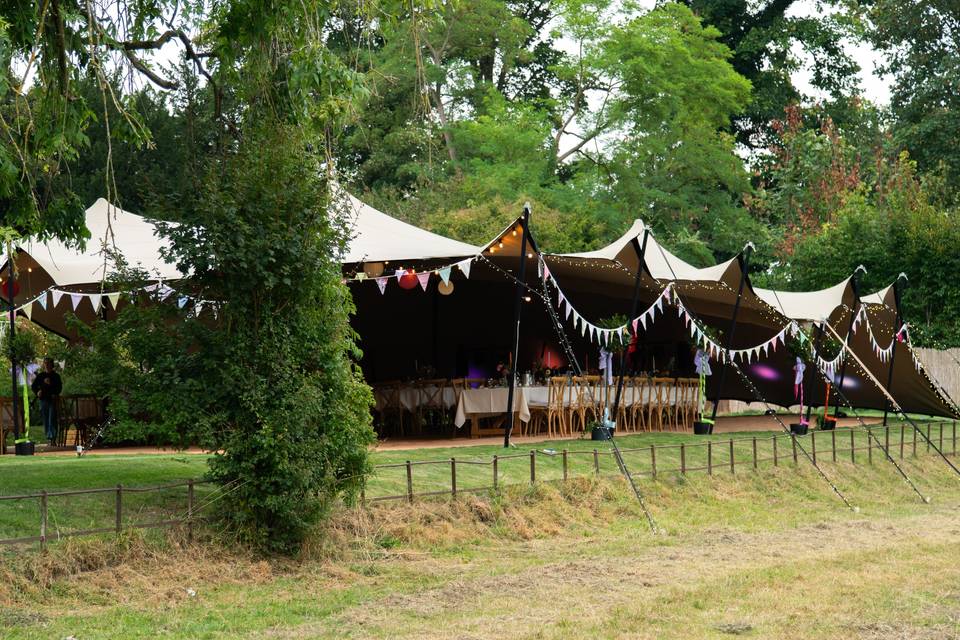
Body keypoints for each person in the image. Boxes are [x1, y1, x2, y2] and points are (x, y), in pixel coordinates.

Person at [32, 358, 62, 445]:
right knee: (46, 419)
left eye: (48, 363)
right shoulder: (40, 376)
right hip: (43, 400)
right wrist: (37, 392)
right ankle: (48, 437)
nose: (46, 365)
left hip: (52, 400)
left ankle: (52, 438)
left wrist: (54, 393)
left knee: (52, 418)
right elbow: (34, 386)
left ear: (51, 365)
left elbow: (59, 388)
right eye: (45, 363)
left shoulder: (56, 376)